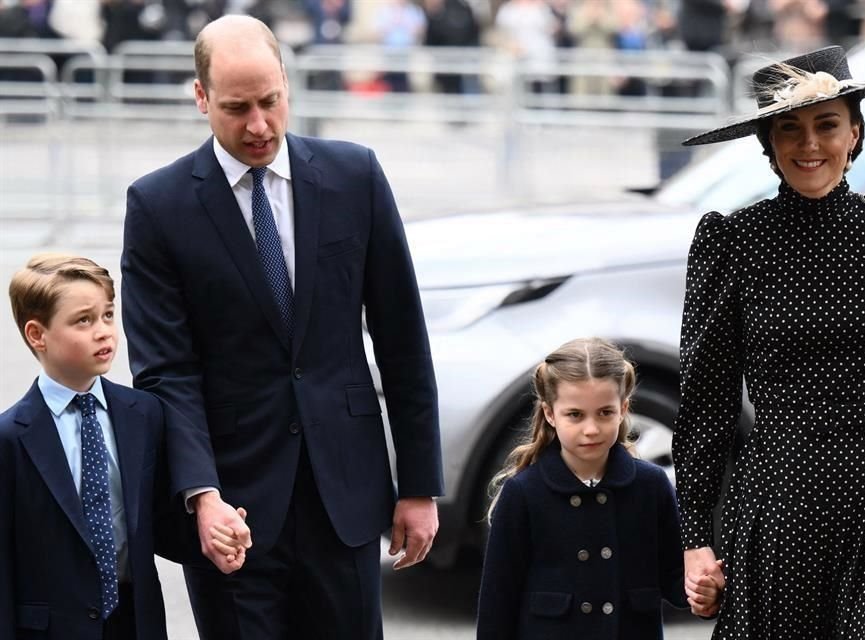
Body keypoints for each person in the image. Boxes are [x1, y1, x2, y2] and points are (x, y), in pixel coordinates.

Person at [120, 14, 444, 639]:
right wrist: (200, 493)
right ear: (200, 97)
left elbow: (403, 338)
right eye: (237, 108)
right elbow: (166, 371)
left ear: (287, 85)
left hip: (344, 496)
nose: (259, 126)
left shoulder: (356, 177)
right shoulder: (158, 206)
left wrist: (420, 487)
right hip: (230, 508)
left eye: (270, 102)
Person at [673, 46, 865, 636]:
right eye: (789, 129)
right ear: (768, 145)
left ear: (855, 132)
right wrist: (694, 539)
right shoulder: (733, 242)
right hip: (779, 499)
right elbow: (706, 403)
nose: (809, 146)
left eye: (827, 124)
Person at [0, 254, 241, 639]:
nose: (104, 332)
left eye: (108, 315)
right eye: (83, 320)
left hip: (135, 621)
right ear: (37, 334)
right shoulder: (11, 436)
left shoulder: (143, 414)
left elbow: (157, 522)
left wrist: (214, 539)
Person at [476, 337, 719, 639]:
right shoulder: (523, 492)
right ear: (550, 413)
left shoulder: (651, 485)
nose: (591, 429)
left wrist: (701, 593)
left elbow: (673, 575)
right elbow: (498, 599)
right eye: (575, 415)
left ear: (623, 409)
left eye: (605, 412)